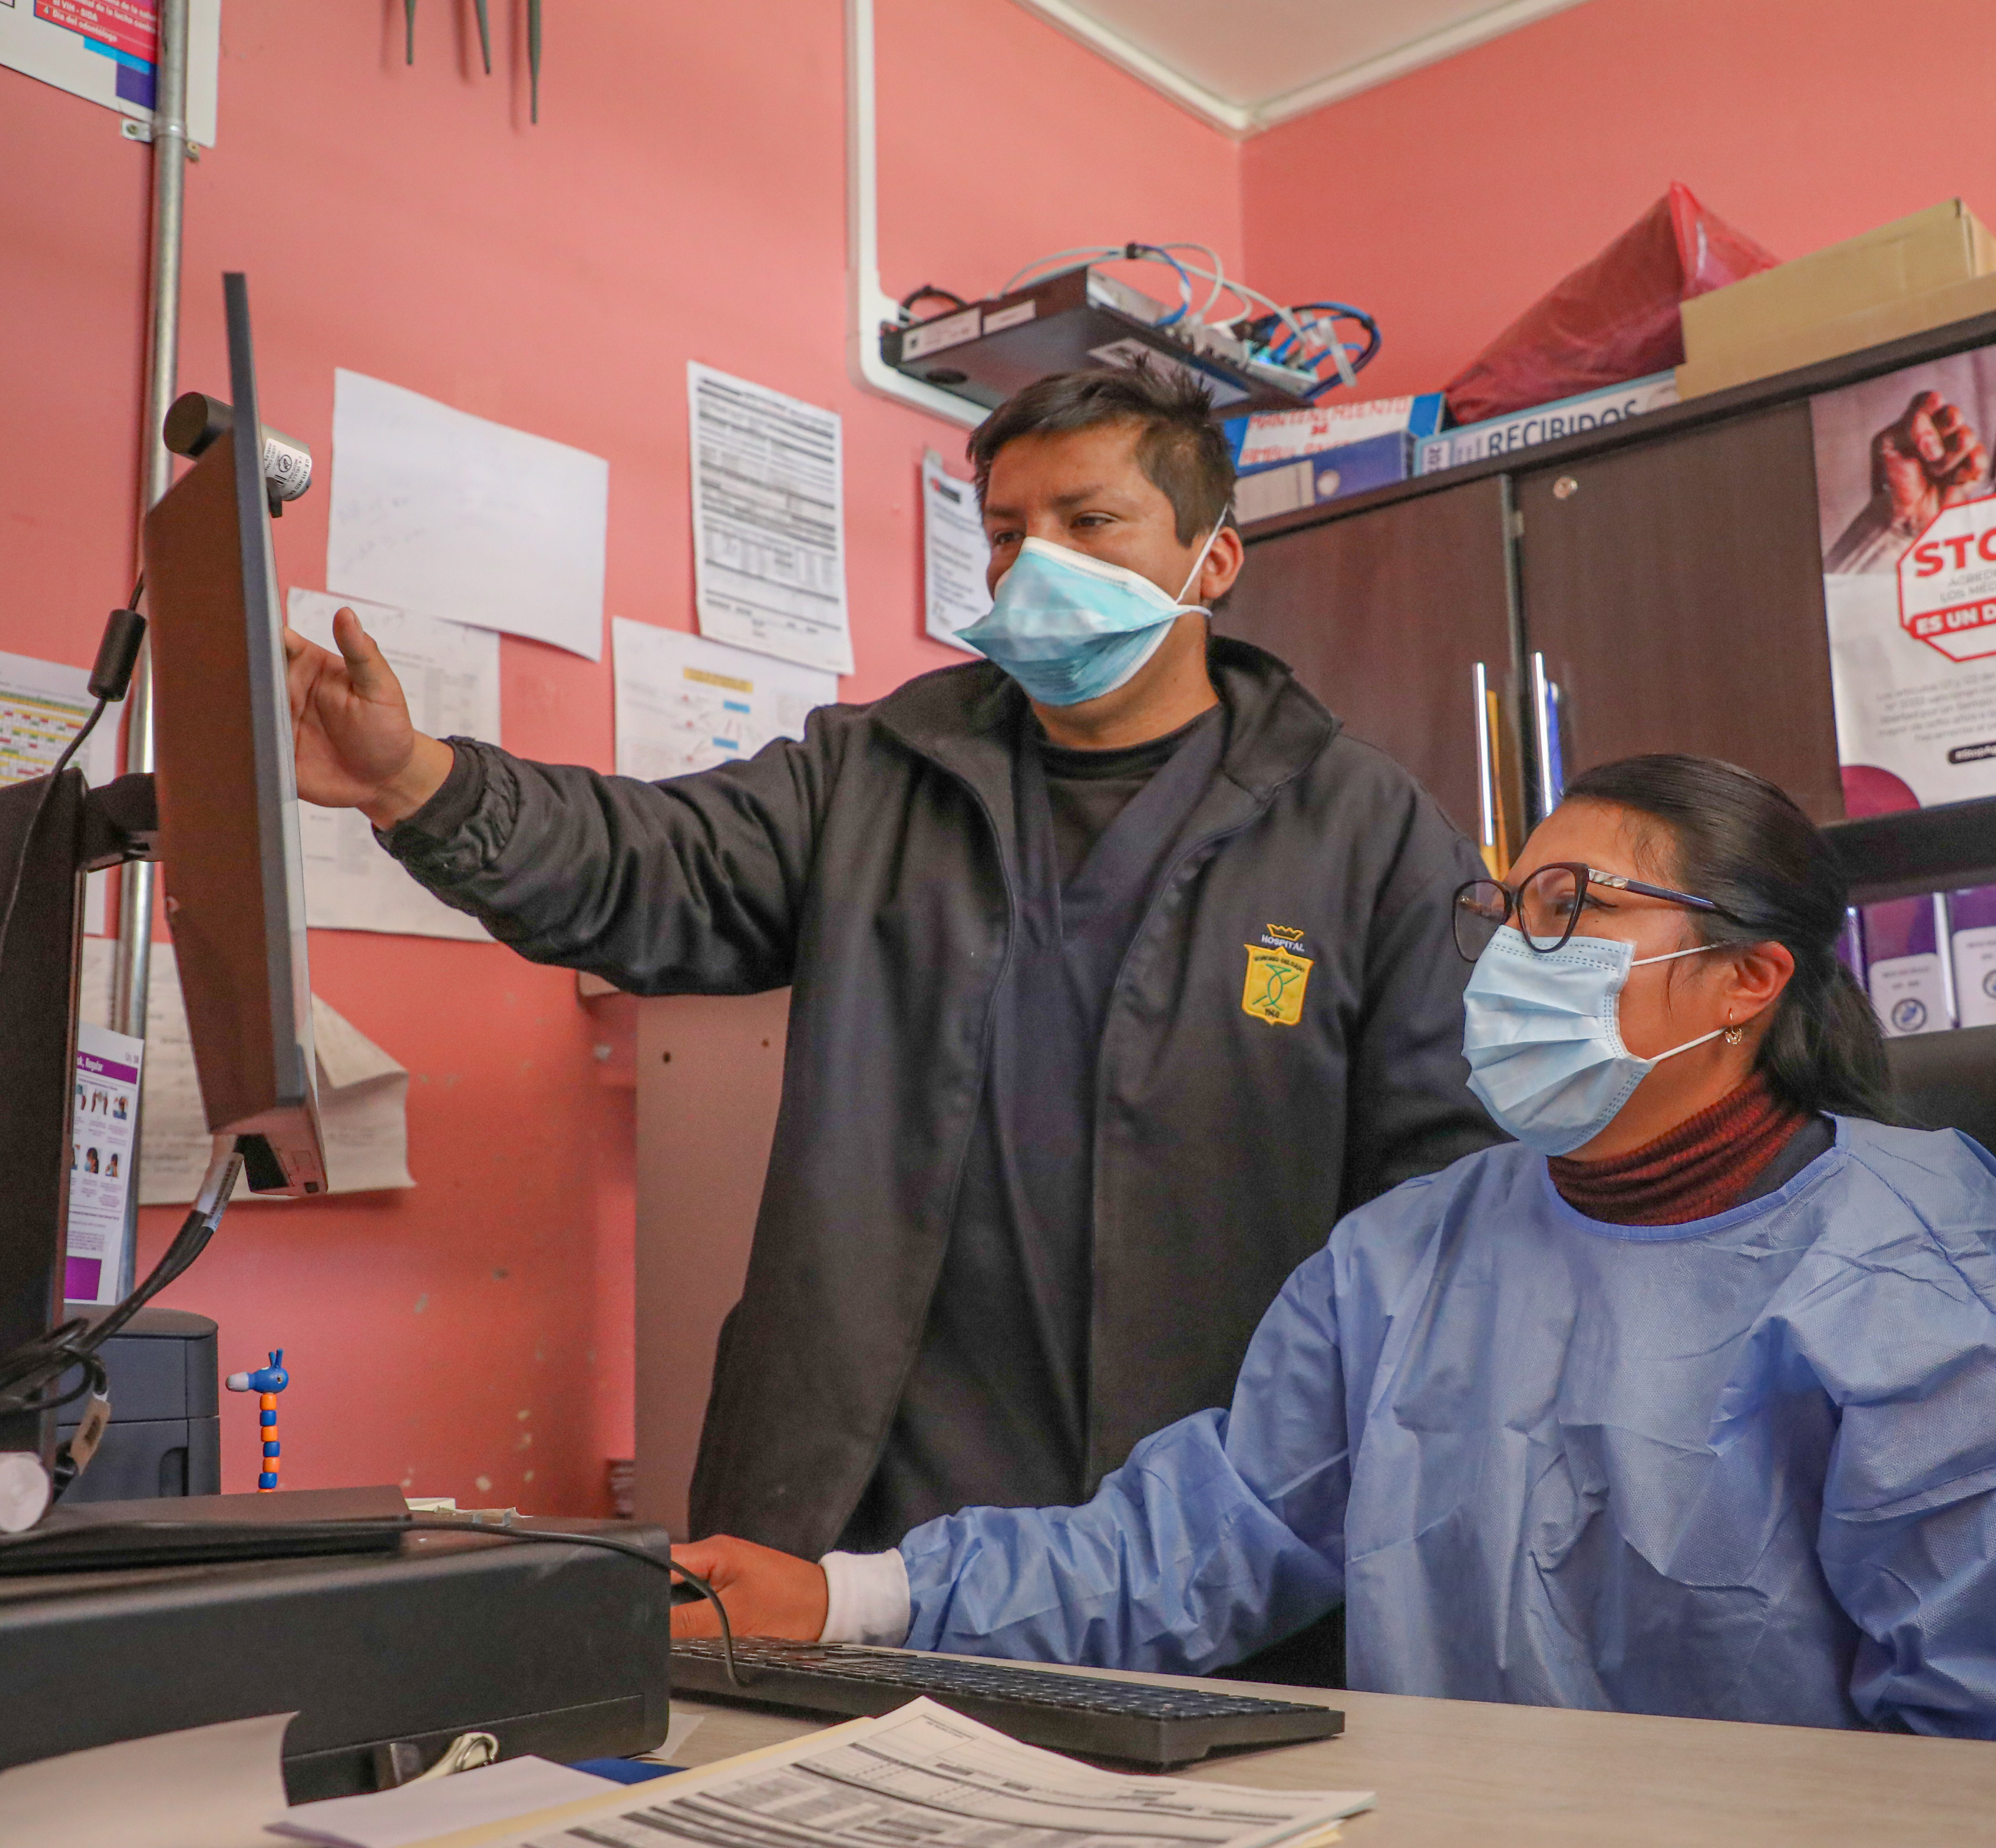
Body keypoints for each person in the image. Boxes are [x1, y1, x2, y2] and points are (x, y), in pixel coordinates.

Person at [676, 754, 1996, 1750]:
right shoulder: (1408, 1256)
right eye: (1504, 910)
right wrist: (854, 1599)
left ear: (1745, 979)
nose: (1509, 954)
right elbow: (1194, 1543)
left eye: (1569, 909)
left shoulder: (1936, 1286)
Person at [282, 364, 1498, 1588]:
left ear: (1214, 561)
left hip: (1192, 1533)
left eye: (1091, 522)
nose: (1038, 564)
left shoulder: (1363, 834)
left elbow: (1442, 1205)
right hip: (856, 1520)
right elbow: (652, 863)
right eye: (1010, 533)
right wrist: (421, 785)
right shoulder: (875, 773)